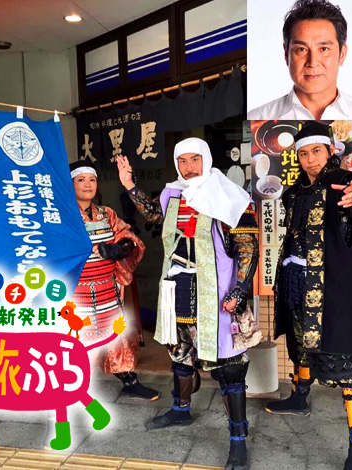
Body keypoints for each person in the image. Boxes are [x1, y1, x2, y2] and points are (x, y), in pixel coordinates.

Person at [0, 161, 159, 401]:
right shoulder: (56, 217)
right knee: (73, 344)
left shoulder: (108, 214)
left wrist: (119, 249)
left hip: (107, 291)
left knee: (115, 338)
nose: (88, 185)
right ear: (70, 184)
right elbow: (23, 243)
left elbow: (129, 238)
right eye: (81, 180)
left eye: (92, 180)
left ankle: (130, 381)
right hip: (75, 293)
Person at [116, 138, 259, 470]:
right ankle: (180, 410)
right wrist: (129, 185)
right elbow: (154, 213)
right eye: (183, 161)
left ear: (206, 159)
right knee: (179, 353)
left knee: (229, 366)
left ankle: (238, 439)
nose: (189, 167)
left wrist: (240, 291)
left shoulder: (231, 196)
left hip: (217, 293)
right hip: (176, 287)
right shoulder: (173, 194)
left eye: (195, 159)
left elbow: (248, 247)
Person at [266, 121, 352, 470]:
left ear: (330, 150)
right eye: (303, 153)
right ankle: (299, 398)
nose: (310, 159)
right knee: (300, 344)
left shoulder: (348, 182)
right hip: (295, 281)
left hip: (332, 289)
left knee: (344, 361)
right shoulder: (294, 192)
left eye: (316, 151)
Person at [248, 0, 352, 121]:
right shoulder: (255, 119)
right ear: (286, 53)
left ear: (342, 54)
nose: (312, 62)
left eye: (324, 49)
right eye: (301, 49)